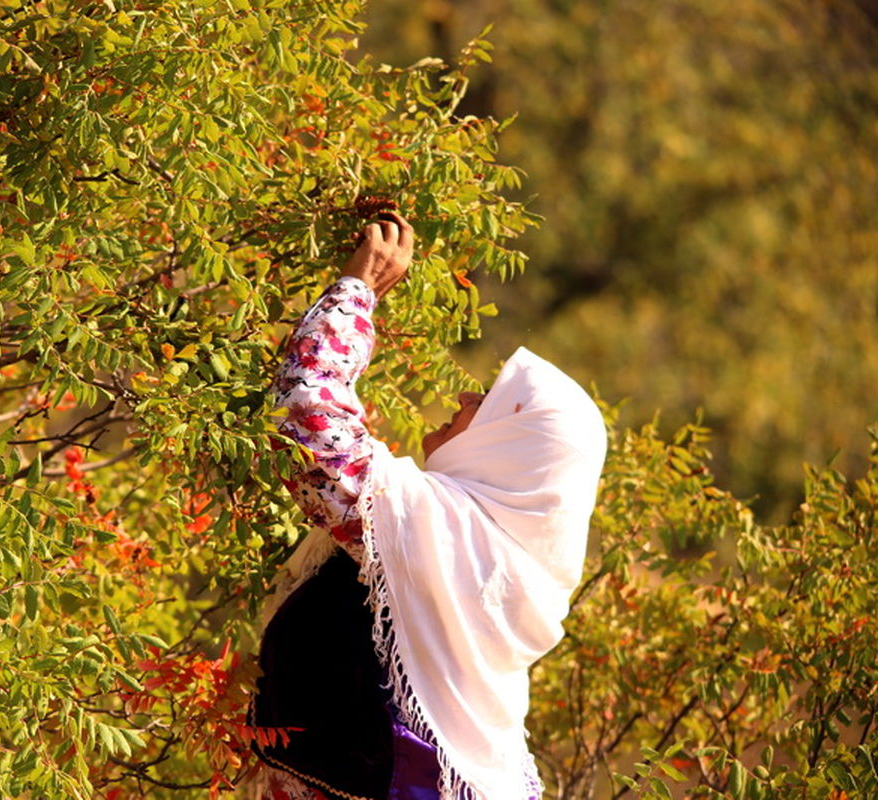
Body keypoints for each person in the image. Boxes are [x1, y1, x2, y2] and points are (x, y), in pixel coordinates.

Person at [248, 212, 608, 800]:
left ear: (508, 448)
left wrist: (358, 288)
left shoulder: (444, 536)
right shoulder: (493, 557)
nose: (466, 395)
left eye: (487, 403)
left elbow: (307, 416)